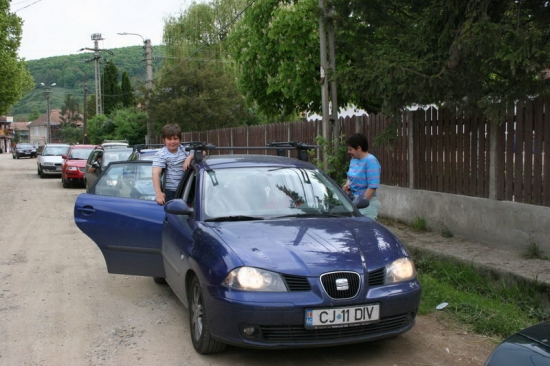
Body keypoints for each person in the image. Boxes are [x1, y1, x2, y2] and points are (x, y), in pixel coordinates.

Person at [152, 124, 194, 205]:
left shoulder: (185, 150)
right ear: (164, 140)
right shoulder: (161, 154)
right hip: (170, 193)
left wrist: (190, 157)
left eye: (175, 139)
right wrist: (158, 193)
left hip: (187, 190)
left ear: (180, 140)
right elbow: (155, 173)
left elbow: (203, 152)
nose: (172, 142)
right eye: (169, 139)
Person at [342, 133, 381, 220]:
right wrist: (347, 185)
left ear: (359, 148)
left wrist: (359, 204)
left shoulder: (371, 161)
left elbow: (372, 187)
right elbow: (350, 177)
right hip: (353, 202)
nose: (348, 152)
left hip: (366, 206)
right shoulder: (353, 159)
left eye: (350, 149)